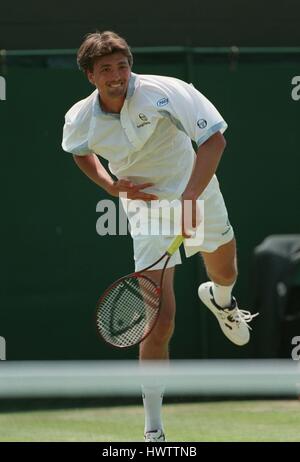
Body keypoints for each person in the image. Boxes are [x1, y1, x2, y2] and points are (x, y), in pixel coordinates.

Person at [62, 31, 258, 442]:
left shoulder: (167, 92)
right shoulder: (80, 117)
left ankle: (223, 302)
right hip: (147, 207)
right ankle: (154, 429)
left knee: (225, 270)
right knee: (158, 321)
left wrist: (189, 199)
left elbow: (214, 140)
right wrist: (110, 185)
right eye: (105, 70)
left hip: (197, 188)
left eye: (121, 66)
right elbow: (80, 151)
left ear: (130, 65)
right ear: (90, 76)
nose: (117, 76)